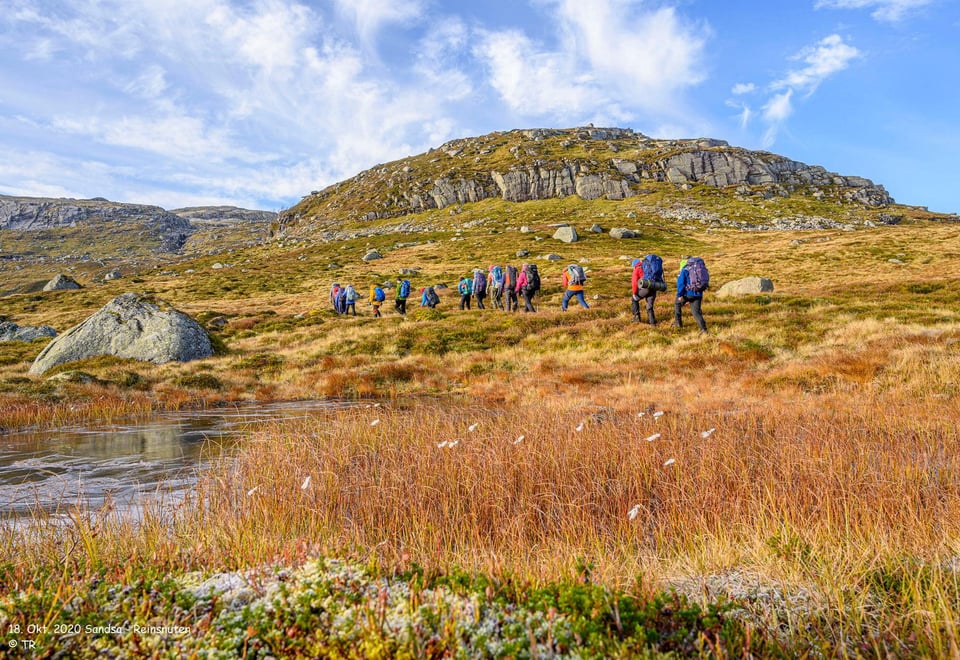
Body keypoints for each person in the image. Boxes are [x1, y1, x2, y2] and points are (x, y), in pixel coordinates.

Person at [674, 256, 708, 332]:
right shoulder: (700, 269)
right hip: (698, 294)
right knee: (696, 312)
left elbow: (681, 284)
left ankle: (678, 323)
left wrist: (680, 295)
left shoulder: (685, 269)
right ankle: (703, 329)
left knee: (677, 304)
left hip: (687, 294)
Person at [631, 255, 665, 325]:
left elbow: (634, 283)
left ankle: (636, 317)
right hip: (654, 286)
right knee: (649, 306)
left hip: (645, 288)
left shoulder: (637, 269)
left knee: (634, 299)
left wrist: (634, 293)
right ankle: (652, 324)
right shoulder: (646, 267)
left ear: (634, 265)